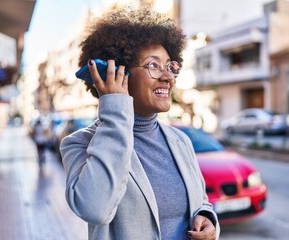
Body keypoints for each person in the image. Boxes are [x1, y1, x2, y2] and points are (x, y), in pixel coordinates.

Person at [60, 7, 220, 240]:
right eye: (153, 65)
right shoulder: (79, 143)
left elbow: (202, 202)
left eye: (169, 65)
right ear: (116, 72)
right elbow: (95, 208)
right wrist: (115, 107)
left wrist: (208, 219)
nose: (167, 76)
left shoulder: (180, 141)